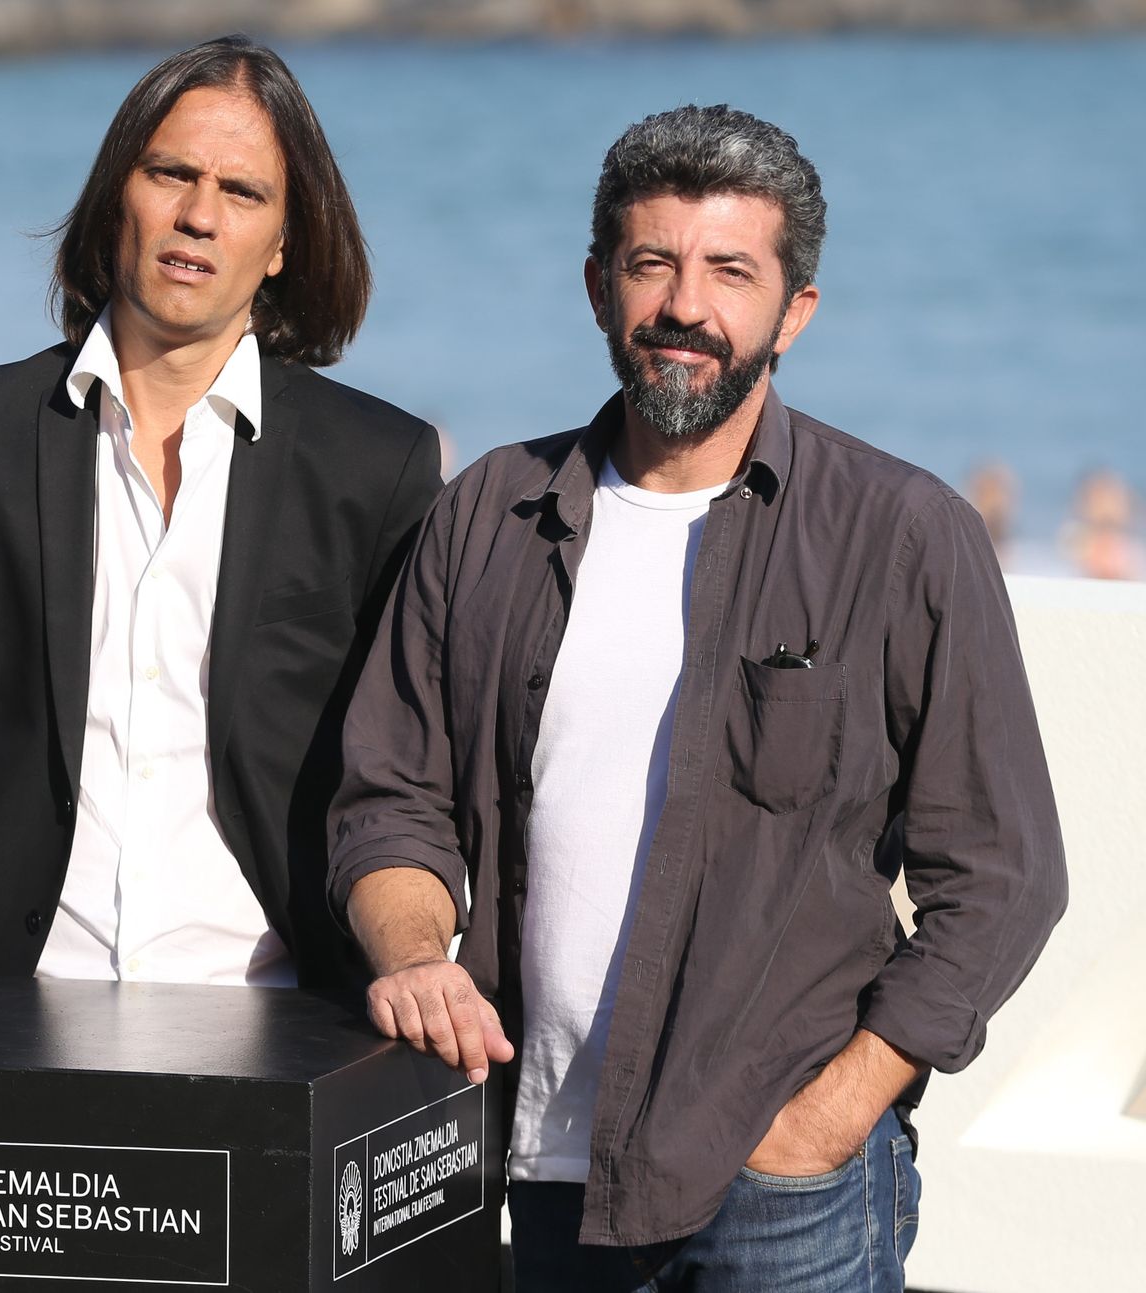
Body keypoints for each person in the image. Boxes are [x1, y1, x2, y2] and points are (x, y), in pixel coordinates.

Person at [328, 105, 1066, 1290]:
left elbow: (1004, 874)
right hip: (523, 1167)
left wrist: (829, 1118)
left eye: (730, 270)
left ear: (796, 309)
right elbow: (387, 797)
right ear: (597, 285)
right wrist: (416, 955)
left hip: (782, 1191)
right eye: (652, 263)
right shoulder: (486, 516)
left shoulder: (900, 534)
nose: (684, 305)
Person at [0, 36, 442, 990]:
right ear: (115, 197)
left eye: (243, 192)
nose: (200, 216)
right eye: (171, 172)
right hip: (8, 1000)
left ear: (286, 242)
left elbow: (406, 757)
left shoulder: (376, 466)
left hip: (275, 1005)